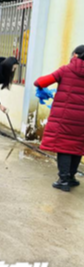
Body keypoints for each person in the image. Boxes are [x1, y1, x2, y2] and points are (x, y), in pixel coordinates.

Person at [34, 45, 84, 192]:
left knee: (64, 147)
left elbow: (40, 82)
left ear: (75, 55)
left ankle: (63, 180)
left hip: (64, 117)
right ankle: (71, 177)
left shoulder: (66, 70)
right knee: (77, 146)